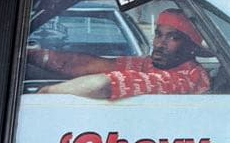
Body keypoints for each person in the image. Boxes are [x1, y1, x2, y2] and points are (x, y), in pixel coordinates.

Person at [28, 9, 210, 98]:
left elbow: (103, 84)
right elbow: (89, 65)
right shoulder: (151, 63)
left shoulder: (190, 78)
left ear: (190, 47)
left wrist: (45, 93)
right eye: (158, 34)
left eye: (173, 38)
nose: (159, 44)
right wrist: (31, 55)